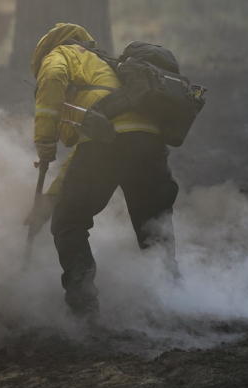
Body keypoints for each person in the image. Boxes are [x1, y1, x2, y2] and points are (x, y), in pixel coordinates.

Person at [28, 23, 180, 319]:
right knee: (153, 226)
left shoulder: (61, 54)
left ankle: (85, 311)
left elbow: (54, 76)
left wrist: (45, 140)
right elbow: (80, 156)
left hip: (110, 142)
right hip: (149, 144)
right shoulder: (107, 66)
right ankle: (174, 303)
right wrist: (50, 200)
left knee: (69, 223)